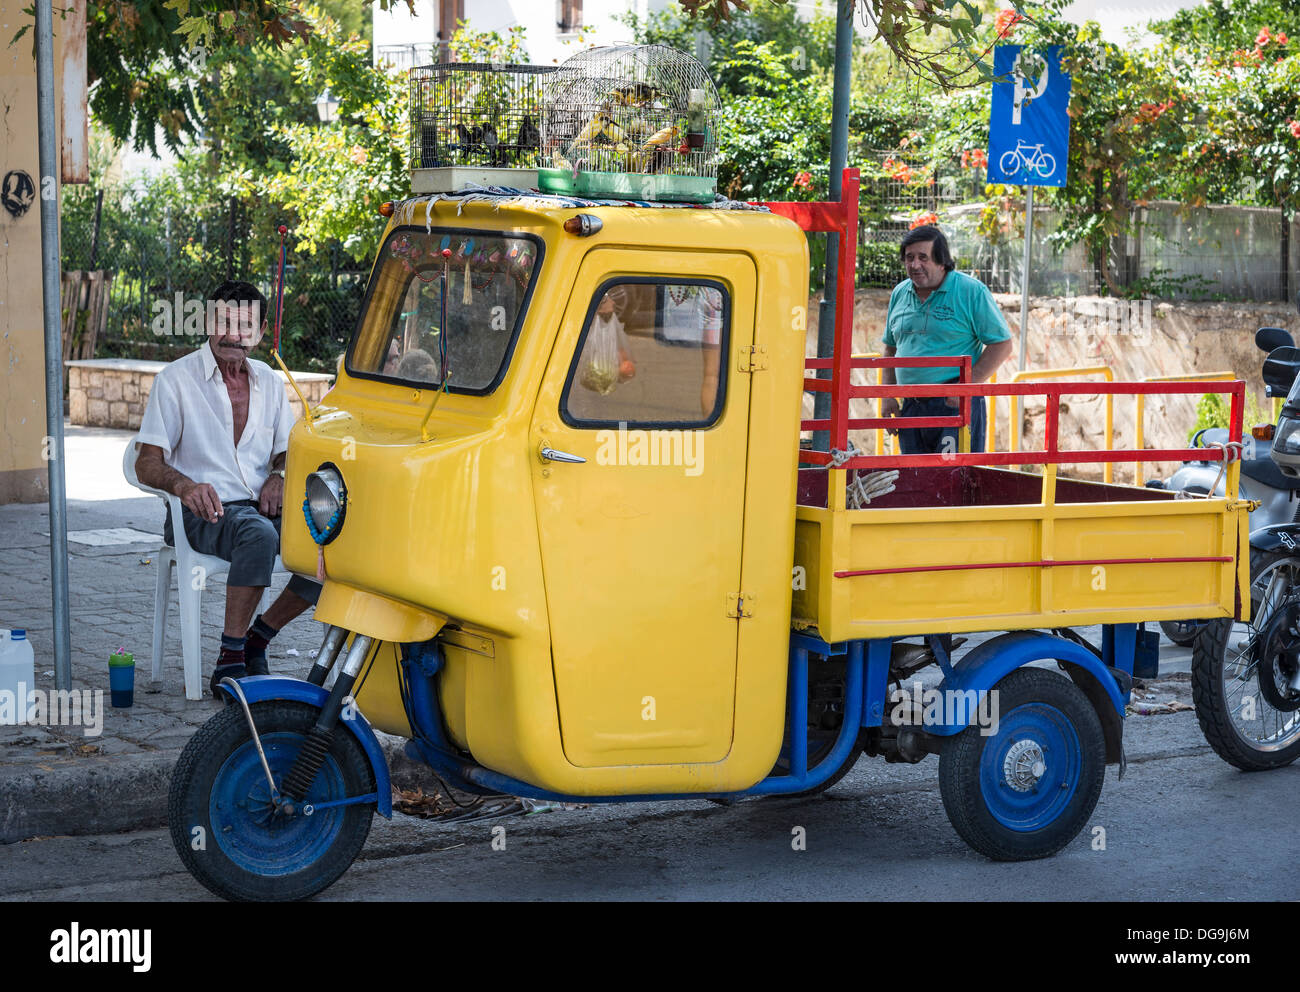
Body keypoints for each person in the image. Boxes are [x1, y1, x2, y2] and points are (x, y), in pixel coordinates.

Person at [134, 280, 322, 698]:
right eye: (224, 321)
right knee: (259, 534)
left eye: (244, 325)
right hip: (200, 512)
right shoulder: (176, 380)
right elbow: (145, 463)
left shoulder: (270, 382)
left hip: (257, 507)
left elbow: (287, 453)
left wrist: (280, 477)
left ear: (258, 333)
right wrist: (183, 485)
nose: (233, 333)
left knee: (331, 537)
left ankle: (261, 636)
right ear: (207, 322)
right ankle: (230, 660)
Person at [881, 225, 1013, 454]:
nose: (915, 265)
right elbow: (890, 348)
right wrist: (888, 395)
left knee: (955, 481)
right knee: (915, 479)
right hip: (911, 406)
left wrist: (966, 387)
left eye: (923, 258)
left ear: (942, 261)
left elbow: (1001, 344)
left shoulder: (970, 291)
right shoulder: (900, 293)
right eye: (909, 258)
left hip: (954, 405)